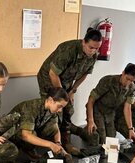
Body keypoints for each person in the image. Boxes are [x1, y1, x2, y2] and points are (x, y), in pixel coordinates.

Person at [37, 28, 102, 156]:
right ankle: (56, 143)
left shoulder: (93, 55)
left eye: (97, 48)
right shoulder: (68, 50)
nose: (93, 51)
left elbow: (84, 74)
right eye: (91, 47)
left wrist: (72, 91)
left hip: (66, 82)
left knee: (69, 110)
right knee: (55, 111)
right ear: (84, 42)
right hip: (48, 79)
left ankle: (66, 140)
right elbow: (53, 73)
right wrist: (62, 96)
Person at [5, 87, 72, 163]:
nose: (60, 110)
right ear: (50, 100)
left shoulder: (51, 109)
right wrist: (50, 144)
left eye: (62, 107)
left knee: (52, 127)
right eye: (59, 106)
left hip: (29, 130)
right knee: (32, 134)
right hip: (10, 134)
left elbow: (56, 129)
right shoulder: (30, 107)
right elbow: (25, 135)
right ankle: (21, 152)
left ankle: (29, 149)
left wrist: (58, 144)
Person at [86, 63, 135, 145]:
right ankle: (85, 133)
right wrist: (90, 120)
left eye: (132, 81)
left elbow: (127, 108)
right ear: (123, 73)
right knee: (101, 139)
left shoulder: (131, 87)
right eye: (127, 79)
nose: (128, 83)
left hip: (110, 112)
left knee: (111, 140)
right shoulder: (108, 81)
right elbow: (91, 100)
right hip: (97, 110)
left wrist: (130, 129)